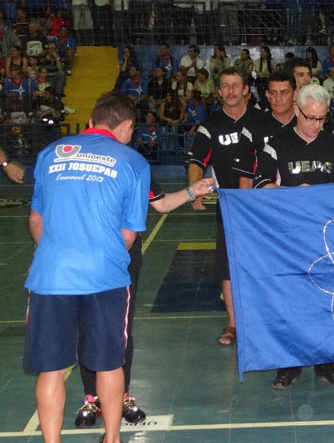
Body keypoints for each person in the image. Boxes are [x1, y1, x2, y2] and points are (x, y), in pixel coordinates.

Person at [23, 92, 150, 443]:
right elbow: (128, 234)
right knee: (109, 363)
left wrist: (59, 252)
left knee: (51, 369)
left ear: (94, 120)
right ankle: (111, 438)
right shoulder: (133, 162)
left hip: (51, 275)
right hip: (103, 276)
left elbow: (36, 221)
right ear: (126, 126)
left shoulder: (50, 154)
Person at [75, 175, 214, 428]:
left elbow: (161, 203)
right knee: (87, 324)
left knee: (121, 327)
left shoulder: (134, 166)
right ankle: (92, 397)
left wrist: (192, 191)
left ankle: (121, 395)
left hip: (124, 256)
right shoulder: (79, 166)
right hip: (82, 251)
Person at [251, 84, 334, 390]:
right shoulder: (277, 145)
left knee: (327, 302)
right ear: (296, 110)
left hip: (326, 239)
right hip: (288, 240)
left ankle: (327, 362)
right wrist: (293, 193)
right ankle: (288, 364)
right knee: (289, 303)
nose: (316, 125)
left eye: (322, 119)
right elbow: (260, 185)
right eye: (310, 117)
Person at [186, 68, 265, 346]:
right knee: (228, 266)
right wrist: (194, 188)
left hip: (266, 206)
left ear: (246, 90)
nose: (231, 91)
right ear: (218, 91)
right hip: (231, 207)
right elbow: (196, 161)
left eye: (236, 85)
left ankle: (265, 320)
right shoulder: (210, 126)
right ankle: (233, 325)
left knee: (265, 263)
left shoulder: (263, 121)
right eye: (225, 86)